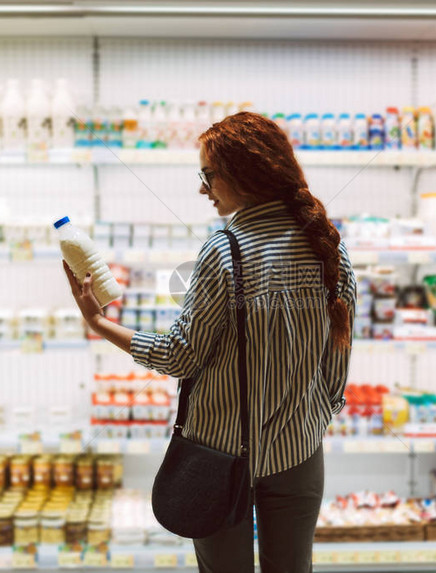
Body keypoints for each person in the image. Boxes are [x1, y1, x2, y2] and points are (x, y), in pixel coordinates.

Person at [64, 112, 356, 573]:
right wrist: (313, 415)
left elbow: (181, 355)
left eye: (208, 175)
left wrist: (99, 322)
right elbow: (337, 356)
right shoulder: (328, 246)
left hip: (219, 456)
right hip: (300, 451)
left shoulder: (226, 249)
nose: (203, 188)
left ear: (244, 174)